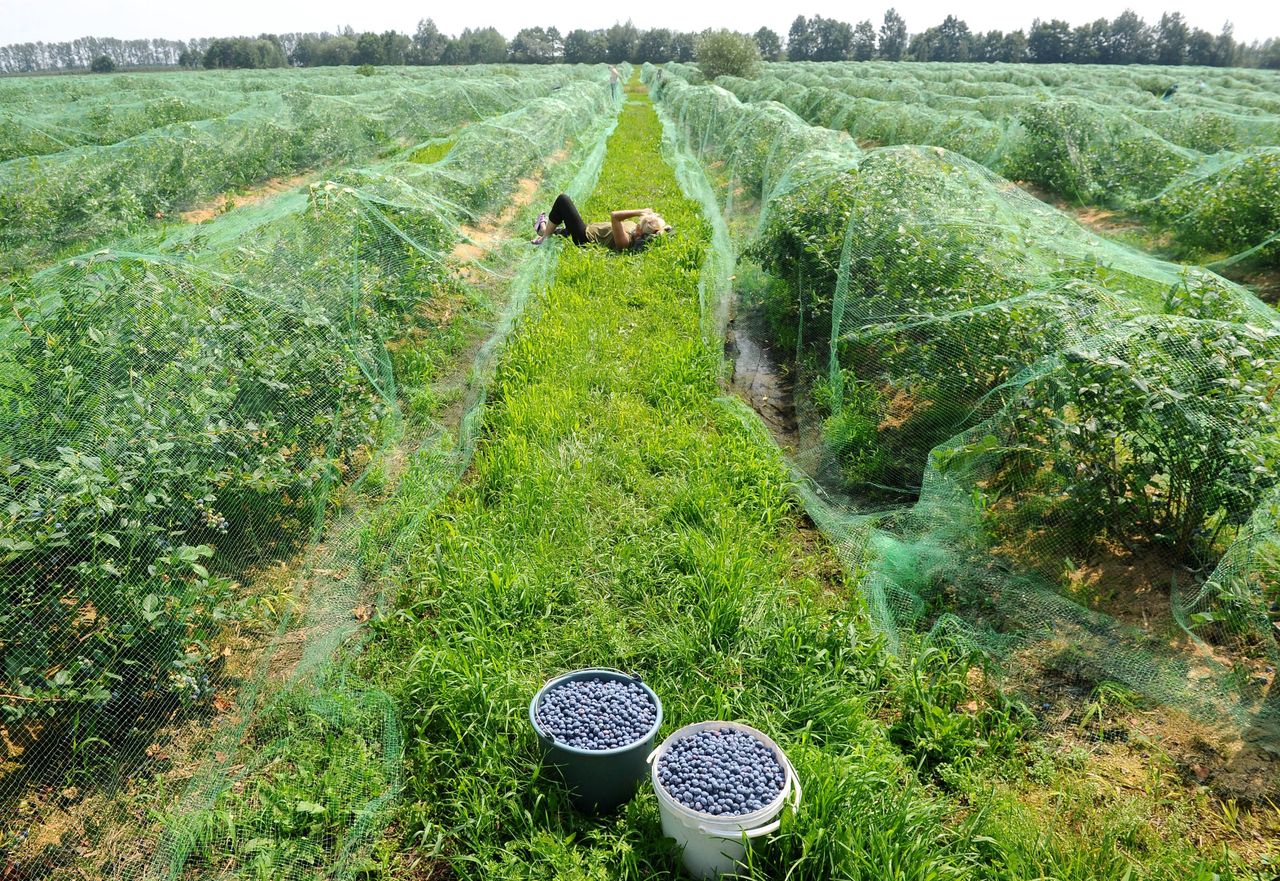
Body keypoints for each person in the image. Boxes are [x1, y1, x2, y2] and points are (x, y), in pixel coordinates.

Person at [531, 193, 671, 251]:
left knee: (563, 200)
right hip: (587, 229)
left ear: (641, 233)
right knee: (561, 230)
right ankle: (542, 230)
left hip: (583, 237)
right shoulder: (643, 232)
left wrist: (639, 211)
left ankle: (544, 238)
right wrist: (661, 228)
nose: (637, 224)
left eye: (639, 224)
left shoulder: (625, 241)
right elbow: (659, 231)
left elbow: (615, 216)